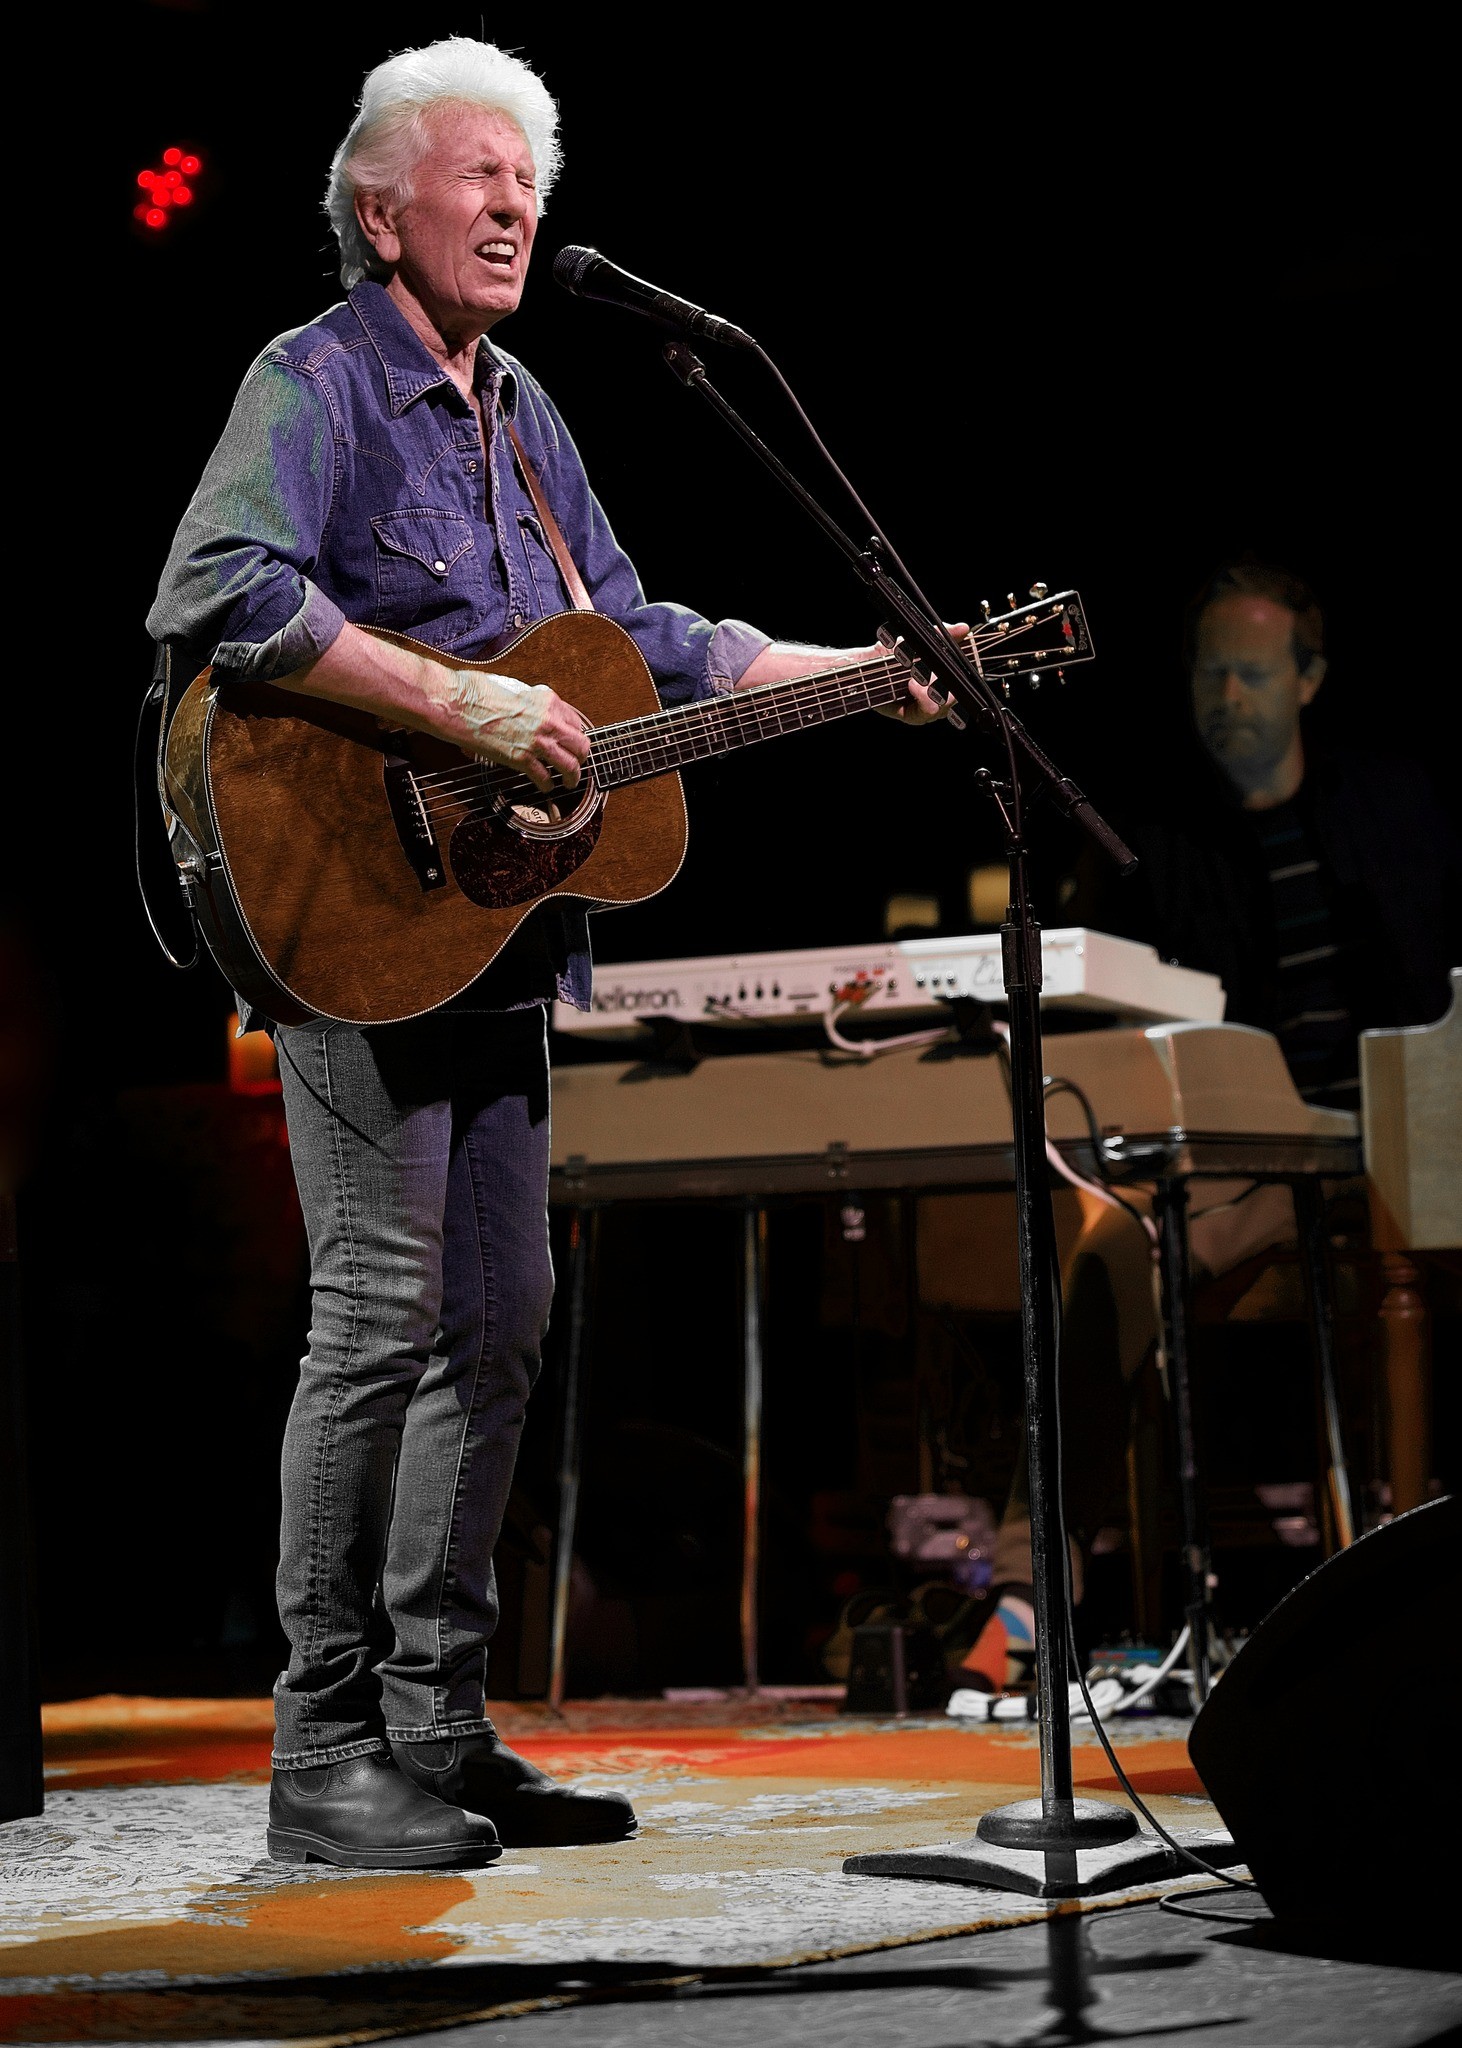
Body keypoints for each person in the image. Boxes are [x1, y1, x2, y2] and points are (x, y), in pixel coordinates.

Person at [148, 37, 950, 1870]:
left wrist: (881, 671)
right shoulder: (317, 378)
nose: (517, 205)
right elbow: (219, 589)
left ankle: (436, 1732)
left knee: (499, 1331)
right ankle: (320, 1746)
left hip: (489, 946)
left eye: (534, 179)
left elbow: (645, 644)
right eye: (480, 175)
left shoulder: (526, 412)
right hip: (339, 904)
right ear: (382, 209)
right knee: (374, 1319)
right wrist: (459, 711)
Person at [952, 560, 1461, 1688]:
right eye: (1207, 672)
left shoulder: (1392, 802)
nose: (1225, 695)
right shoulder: (1152, 836)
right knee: (1104, 1237)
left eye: (1250, 672)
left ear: (1308, 678)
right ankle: (1030, 1592)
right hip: (1244, 1155)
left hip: (1397, 1140)